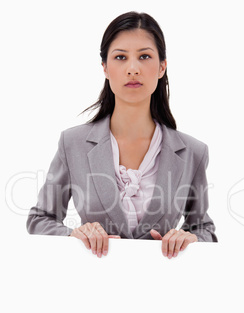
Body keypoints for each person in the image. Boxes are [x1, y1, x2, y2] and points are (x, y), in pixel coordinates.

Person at [26, 11, 218, 259]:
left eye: (145, 56)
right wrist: (74, 236)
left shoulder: (193, 152)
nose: (133, 68)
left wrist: (190, 237)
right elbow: (40, 218)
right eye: (120, 57)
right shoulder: (72, 144)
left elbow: (204, 229)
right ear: (105, 68)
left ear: (162, 67)